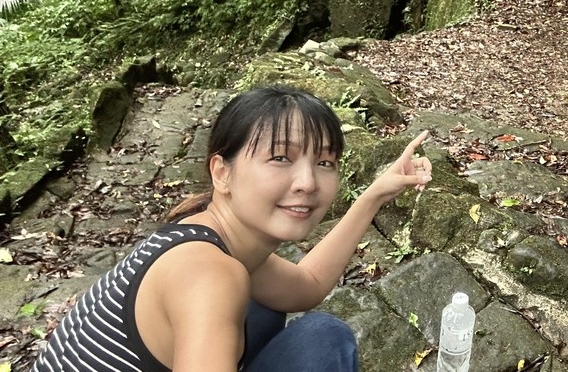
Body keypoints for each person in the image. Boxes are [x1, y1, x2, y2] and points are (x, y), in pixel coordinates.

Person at [32, 85, 433, 372]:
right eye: (280, 158)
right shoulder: (208, 273)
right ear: (222, 172)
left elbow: (306, 284)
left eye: (324, 162)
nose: (307, 183)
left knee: (263, 308)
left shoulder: (212, 238)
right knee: (323, 339)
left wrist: (375, 195)